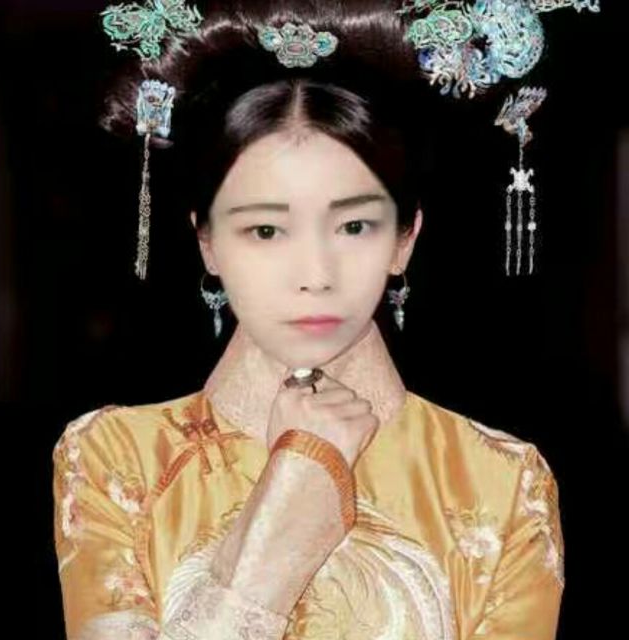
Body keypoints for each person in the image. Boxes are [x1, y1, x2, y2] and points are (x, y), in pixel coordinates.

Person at [52, 1, 570, 638]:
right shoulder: (116, 458)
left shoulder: (502, 480)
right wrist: (294, 488)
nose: (314, 274)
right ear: (207, 242)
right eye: (266, 230)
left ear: (405, 239)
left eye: (354, 226)